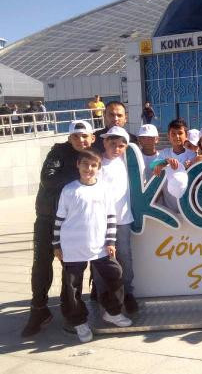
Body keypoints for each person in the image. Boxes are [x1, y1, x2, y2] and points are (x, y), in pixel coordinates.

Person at [21, 120, 96, 337]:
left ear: (92, 138)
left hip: (72, 222)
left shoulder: (93, 156)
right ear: (69, 138)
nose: (80, 140)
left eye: (84, 136)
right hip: (47, 218)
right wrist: (81, 173)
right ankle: (38, 309)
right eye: (75, 136)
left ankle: (69, 310)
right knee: (41, 264)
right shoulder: (58, 152)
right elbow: (48, 179)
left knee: (71, 268)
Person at [52, 148, 132, 342]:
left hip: (99, 246)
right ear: (78, 165)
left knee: (116, 274)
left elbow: (111, 217)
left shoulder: (104, 189)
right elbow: (59, 219)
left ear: (99, 168)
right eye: (85, 164)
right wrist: (56, 245)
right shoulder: (69, 190)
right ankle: (79, 321)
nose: (89, 168)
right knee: (73, 287)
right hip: (72, 247)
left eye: (93, 165)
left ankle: (112, 312)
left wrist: (110, 241)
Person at [98, 126, 138, 314]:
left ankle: (128, 294)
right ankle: (103, 296)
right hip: (99, 221)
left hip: (122, 219)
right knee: (101, 260)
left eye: (121, 145)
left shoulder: (126, 161)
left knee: (125, 258)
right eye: (112, 144)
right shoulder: (96, 162)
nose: (116, 148)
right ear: (105, 142)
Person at [153, 119, 196, 212]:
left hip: (188, 206)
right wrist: (165, 162)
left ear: (186, 135)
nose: (177, 136)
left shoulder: (192, 154)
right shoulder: (164, 153)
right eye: (173, 134)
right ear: (168, 136)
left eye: (180, 133)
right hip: (168, 207)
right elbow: (152, 165)